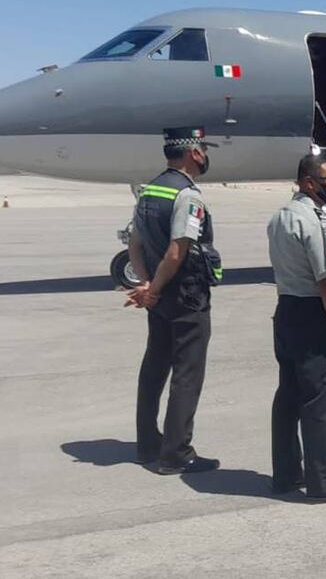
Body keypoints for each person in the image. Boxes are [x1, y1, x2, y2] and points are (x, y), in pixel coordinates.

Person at [266, 154, 326, 503]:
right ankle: (324, 481)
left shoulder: (280, 216)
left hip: (287, 309)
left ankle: (286, 473)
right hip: (313, 312)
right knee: (320, 399)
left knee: (289, 395)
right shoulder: (315, 221)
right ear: (309, 183)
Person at [125, 126, 221, 475]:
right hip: (185, 295)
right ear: (193, 153)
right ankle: (177, 452)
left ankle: (148, 444)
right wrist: (154, 287)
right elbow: (177, 251)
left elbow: (135, 244)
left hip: (160, 296)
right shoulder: (187, 195)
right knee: (187, 373)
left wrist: (147, 284)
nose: (205, 156)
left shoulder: (150, 190)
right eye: (203, 150)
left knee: (154, 367)